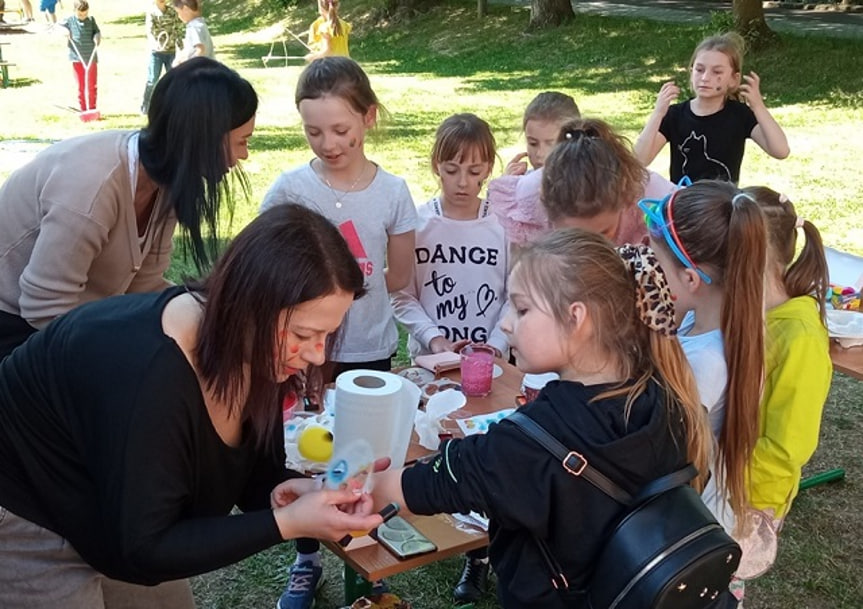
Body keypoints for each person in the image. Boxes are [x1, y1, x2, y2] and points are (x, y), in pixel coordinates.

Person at [0, 204, 385, 609]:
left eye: (328, 334)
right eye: (306, 334)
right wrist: (285, 524)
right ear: (248, 307)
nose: (318, 356)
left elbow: (256, 475)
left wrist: (310, 492)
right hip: (23, 503)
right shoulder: (153, 376)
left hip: (109, 496)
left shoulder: (257, 351)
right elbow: (146, 549)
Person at [331, 229, 715, 608]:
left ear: (576, 318)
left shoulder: (530, 443)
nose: (505, 323)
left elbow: (413, 486)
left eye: (522, 308)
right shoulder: (670, 400)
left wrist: (332, 491)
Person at [260, 55, 416, 609]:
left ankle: (365, 560)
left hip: (370, 351)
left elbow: (399, 276)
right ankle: (305, 560)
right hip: (302, 356)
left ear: (369, 118)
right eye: (313, 131)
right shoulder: (289, 188)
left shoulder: (393, 192)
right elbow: (264, 266)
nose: (328, 143)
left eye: (341, 129)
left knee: (362, 459)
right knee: (302, 455)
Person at [0, 57, 256, 360]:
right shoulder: (91, 187)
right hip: (16, 329)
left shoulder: (167, 183)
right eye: (241, 141)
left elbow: (144, 286)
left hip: (66, 324)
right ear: (203, 137)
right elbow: (44, 308)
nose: (245, 155)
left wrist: (207, 314)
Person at [391, 113, 507, 603]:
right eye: (453, 168)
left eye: (476, 170)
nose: (464, 181)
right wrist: (436, 339)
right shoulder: (417, 224)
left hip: (490, 367)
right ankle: (432, 532)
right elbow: (401, 293)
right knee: (437, 450)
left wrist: (495, 344)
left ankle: (478, 556)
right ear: (436, 165)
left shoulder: (503, 227)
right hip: (434, 368)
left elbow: (514, 293)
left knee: (488, 456)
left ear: (489, 170)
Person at [639, 180, 767, 603]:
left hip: (680, 539)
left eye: (657, 268)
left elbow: (655, 443)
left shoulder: (708, 362)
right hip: (696, 520)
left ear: (691, 279)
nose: (649, 276)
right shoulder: (715, 326)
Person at [743, 186, 831, 557]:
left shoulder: (801, 338)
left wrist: (744, 498)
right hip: (721, 484)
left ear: (751, 257)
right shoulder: (753, 312)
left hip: (749, 500)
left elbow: (787, 445)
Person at [634, 32, 789, 184]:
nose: (705, 78)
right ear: (691, 72)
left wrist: (758, 106)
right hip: (684, 205)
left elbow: (781, 151)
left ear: (733, 79)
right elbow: (638, 161)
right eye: (699, 70)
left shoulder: (740, 115)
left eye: (717, 72)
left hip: (722, 205)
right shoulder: (675, 115)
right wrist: (658, 113)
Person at [541, 118, 676, 245]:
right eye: (573, 238)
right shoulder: (524, 210)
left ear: (625, 195)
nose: (591, 249)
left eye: (603, 233)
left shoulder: (658, 198)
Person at [488, 91, 580, 246]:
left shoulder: (586, 184)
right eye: (533, 143)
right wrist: (509, 184)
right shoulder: (520, 186)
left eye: (551, 143)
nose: (540, 154)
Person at [140, 0, 184, 115]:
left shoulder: (172, 11)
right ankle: (146, 106)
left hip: (171, 52)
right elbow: (150, 32)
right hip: (157, 53)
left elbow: (178, 30)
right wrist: (156, 44)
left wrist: (181, 47)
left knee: (173, 80)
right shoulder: (151, 12)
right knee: (152, 79)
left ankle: (174, 105)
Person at [57, 0, 100, 113]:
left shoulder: (91, 20)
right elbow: (59, 27)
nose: (83, 16)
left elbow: (97, 32)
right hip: (77, 58)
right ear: (74, 11)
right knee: (81, 85)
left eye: (85, 14)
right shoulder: (70, 20)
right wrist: (65, 30)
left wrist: (97, 37)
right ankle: (83, 108)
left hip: (91, 58)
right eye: (80, 14)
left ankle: (92, 108)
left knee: (92, 85)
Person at [172, 0, 213, 65]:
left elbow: (200, 50)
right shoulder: (200, 23)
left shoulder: (193, 27)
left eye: (178, 12)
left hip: (200, 70)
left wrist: (185, 63)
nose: (179, 16)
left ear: (185, 9)